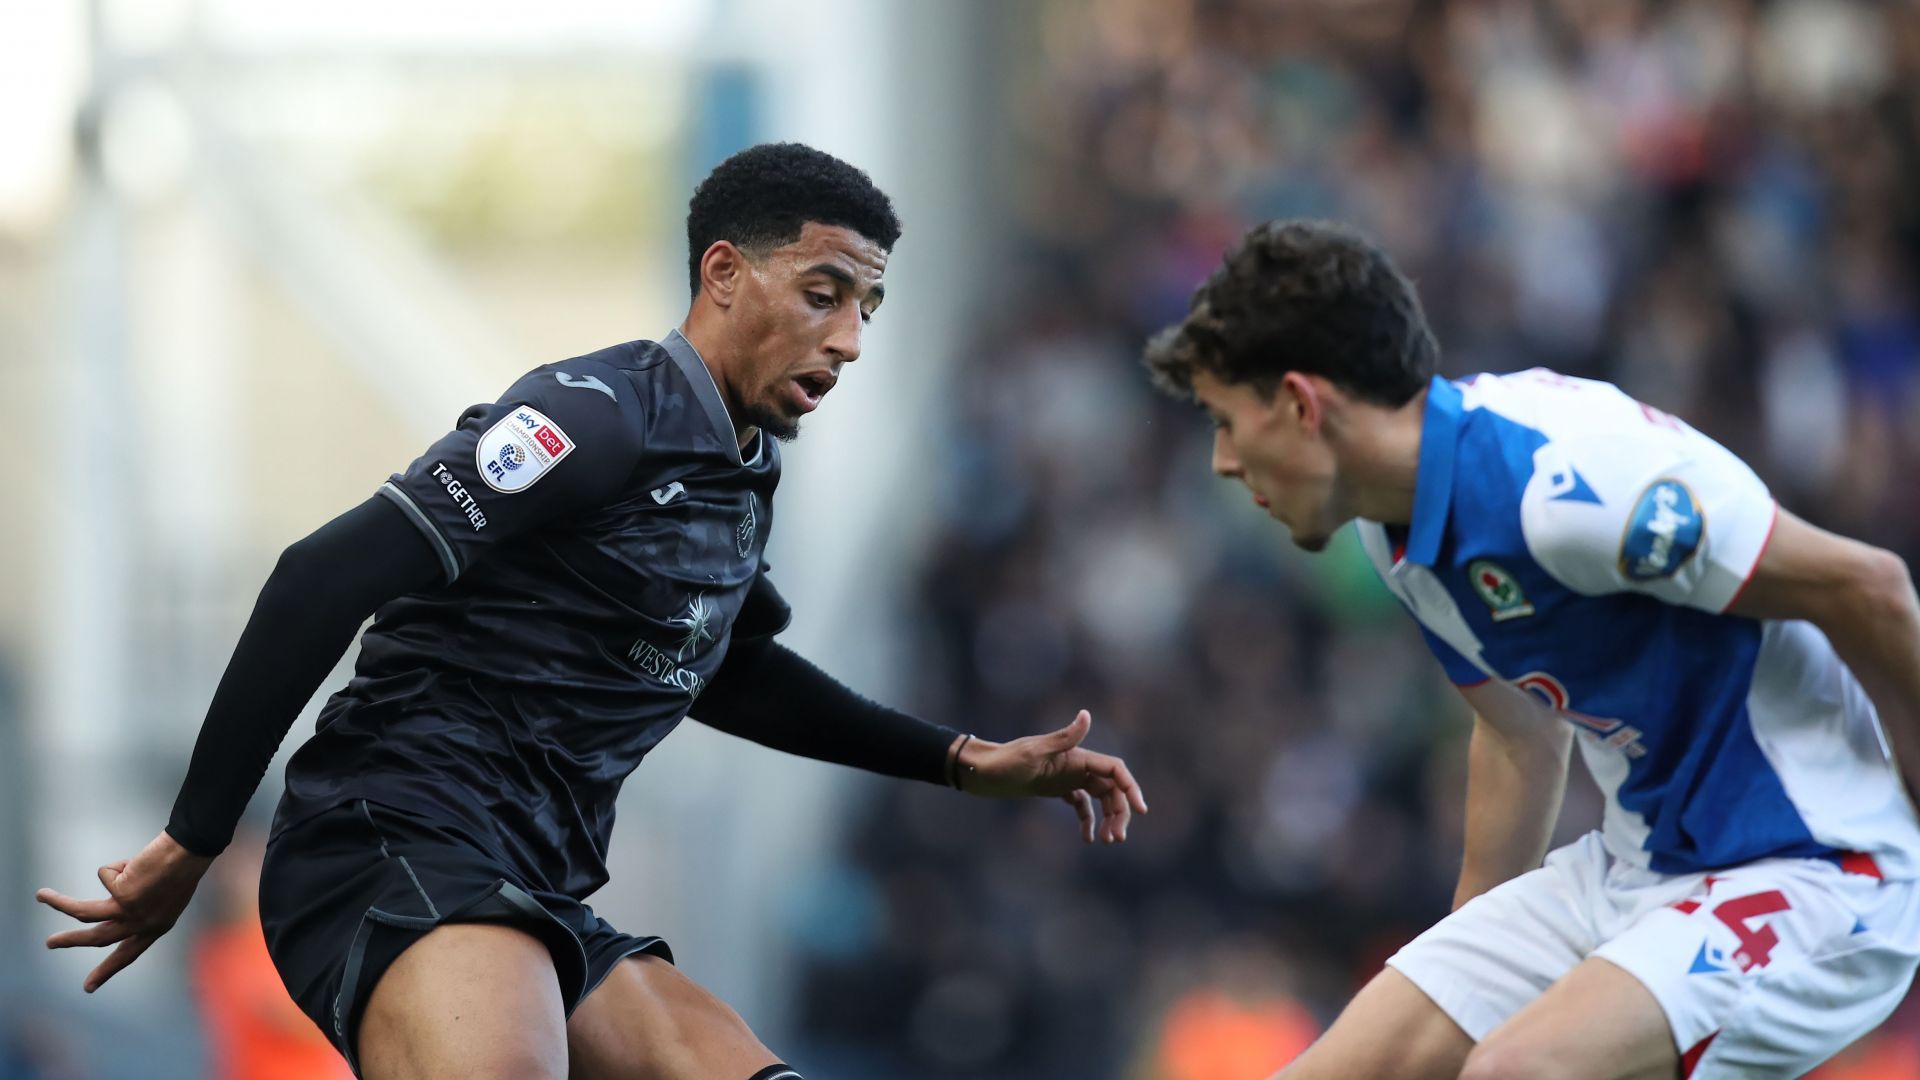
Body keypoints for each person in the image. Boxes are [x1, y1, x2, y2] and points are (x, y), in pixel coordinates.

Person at [36, 142, 1148, 1080]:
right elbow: (319, 576)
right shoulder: (598, 415)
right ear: (723, 274)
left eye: (867, 305)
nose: (850, 339)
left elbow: (723, 666)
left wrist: (961, 759)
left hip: (541, 887)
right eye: (823, 293)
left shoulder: (739, 472)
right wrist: (194, 838)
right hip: (395, 836)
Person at [1143, 218, 1920, 1079]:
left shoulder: (1566, 485)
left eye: (1224, 420)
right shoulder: (1394, 535)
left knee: (1516, 1072)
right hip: (1638, 871)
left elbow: (1869, 587)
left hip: (1819, 869)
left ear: (1299, 403)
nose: (1220, 461)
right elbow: (1520, 735)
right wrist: (1469, 965)